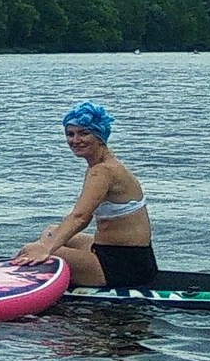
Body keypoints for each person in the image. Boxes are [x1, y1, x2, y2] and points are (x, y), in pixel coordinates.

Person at [15, 101, 155, 287]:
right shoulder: (105, 166)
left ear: (100, 136)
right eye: (70, 134)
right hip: (130, 257)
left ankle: (12, 289)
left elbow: (80, 217)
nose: (75, 140)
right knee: (50, 231)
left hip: (122, 267)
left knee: (30, 250)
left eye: (84, 133)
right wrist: (48, 244)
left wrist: (44, 250)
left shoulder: (102, 171)